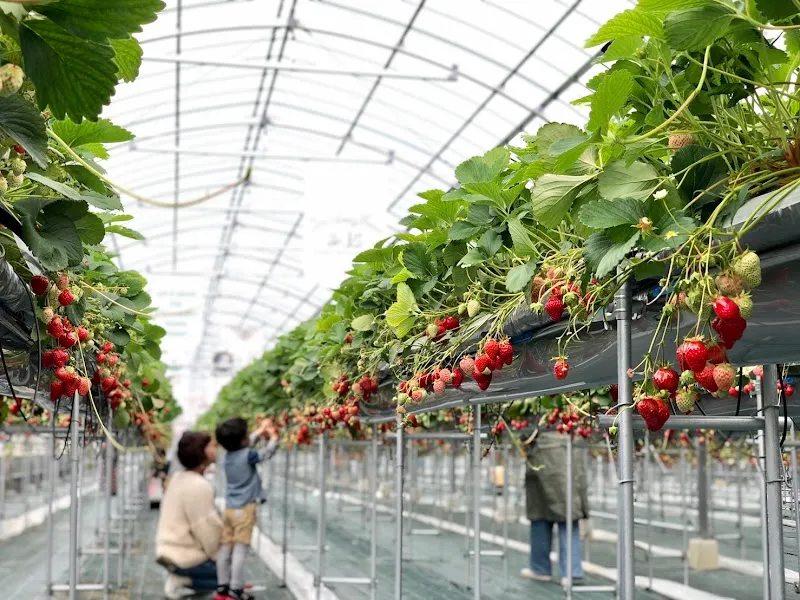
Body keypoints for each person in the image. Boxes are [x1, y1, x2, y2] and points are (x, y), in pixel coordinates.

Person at [214, 417, 279, 600]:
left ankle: (222, 585)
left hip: (229, 509)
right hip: (245, 509)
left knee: (226, 547)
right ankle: (236, 589)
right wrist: (274, 438)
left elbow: (245, 443)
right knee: (241, 549)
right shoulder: (248, 456)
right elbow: (266, 454)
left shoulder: (227, 455)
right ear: (243, 440)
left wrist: (260, 430)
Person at [155, 431, 222, 599]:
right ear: (201, 452)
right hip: (184, 555)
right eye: (210, 445)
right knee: (230, 577)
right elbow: (207, 530)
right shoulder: (198, 485)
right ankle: (184, 579)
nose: (215, 448)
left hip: (168, 550)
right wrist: (220, 558)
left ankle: (185, 578)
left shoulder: (178, 478)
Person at [521, 430, 588, 586]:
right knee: (566, 510)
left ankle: (542, 568)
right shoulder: (574, 427)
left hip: (546, 448)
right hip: (567, 445)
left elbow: (527, 428)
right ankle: (570, 570)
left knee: (543, 512)